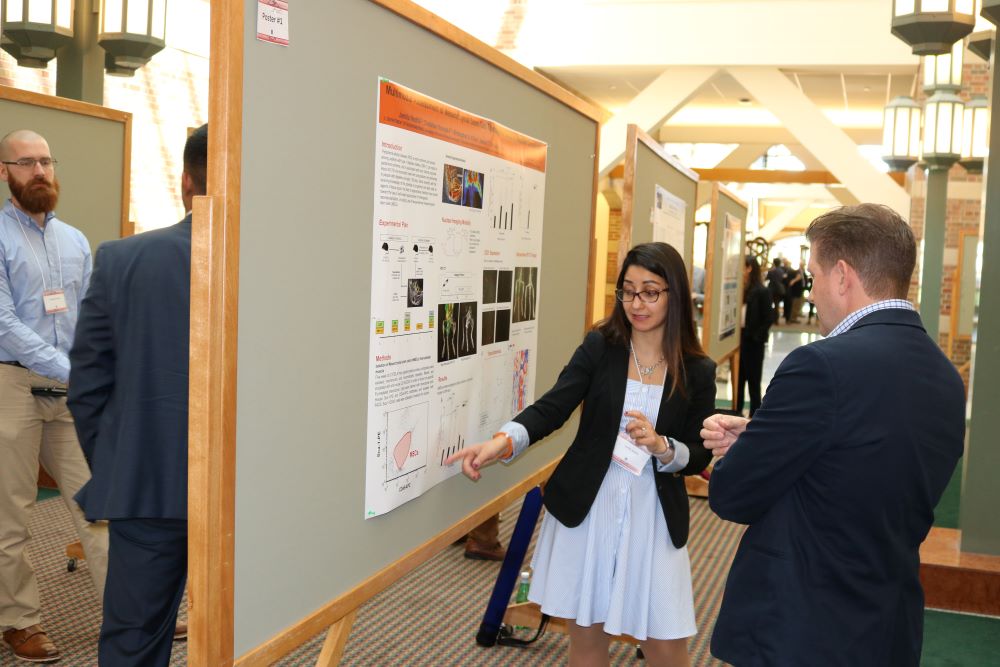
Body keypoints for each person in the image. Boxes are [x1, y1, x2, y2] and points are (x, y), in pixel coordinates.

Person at [701, 204, 965, 667]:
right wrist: (765, 436)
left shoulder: (820, 365)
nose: (813, 291)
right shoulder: (945, 378)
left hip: (802, 627)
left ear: (842, 276)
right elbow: (857, 464)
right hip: (886, 627)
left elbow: (732, 495)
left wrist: (751, 450)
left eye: (814, 274)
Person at [447, 242, 716, 666]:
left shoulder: (697, 369)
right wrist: (500, 442)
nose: (636, 303)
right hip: (589, 509)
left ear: (675, 294)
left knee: (667, 642)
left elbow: (699, 456)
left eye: (650, 291)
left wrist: (663, 446)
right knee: (586, 639)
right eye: (627, 291)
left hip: (654, 516)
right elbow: (553, 407)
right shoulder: (601, 346)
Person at [68, 124, 206, 666]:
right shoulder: (286, 269)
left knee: (134, 638)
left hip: (146, 487)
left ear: (185, 181)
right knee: (249, 634)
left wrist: (118, 460)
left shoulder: (121, 259)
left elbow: (88, 383)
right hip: (252, 492)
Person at [0, 129, 108, 663]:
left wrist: (93, 368)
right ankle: (20, 622)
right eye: (26, 163)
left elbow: (88, 316)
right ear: (5, 172)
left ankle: (127, 610)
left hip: (71, 392)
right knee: (11, 515)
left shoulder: (75, 240)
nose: (39, 172)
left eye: (45, 161)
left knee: (99, 504)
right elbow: (2, 322)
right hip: (12, 383)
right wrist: (70, 368)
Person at [735, 256, 771, 417]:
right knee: (738, 379)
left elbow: (769, 317)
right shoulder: (740, 289)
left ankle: (754, 414)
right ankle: (736, 411)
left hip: (753, 342)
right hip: (739, 339)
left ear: (749, 268)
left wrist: (756, 336)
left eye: (742, 267)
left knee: (753, 381)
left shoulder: (762, 291)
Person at [765, 258, 785, 324]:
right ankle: (776, 320)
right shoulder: (781, 271)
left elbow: (767, 278)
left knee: (769, 304)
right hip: (778, 289)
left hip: (771, 289)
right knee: (777, 304)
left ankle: (770, 319)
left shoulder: (771, 271)